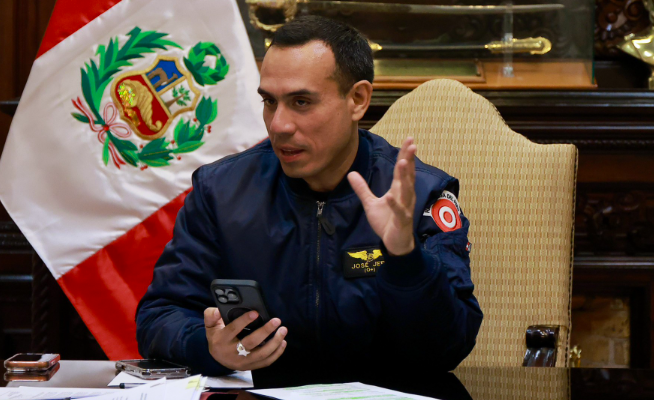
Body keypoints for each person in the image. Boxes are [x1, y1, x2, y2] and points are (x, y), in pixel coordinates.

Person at [136, 15, 482, 385]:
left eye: (301, 102)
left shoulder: (422, 196)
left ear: (357, 100)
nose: (278, 125)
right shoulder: (221, 191)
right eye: (270, 101)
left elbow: (449, 347)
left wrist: (405, 257)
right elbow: (160, 314)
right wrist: (209, 348)